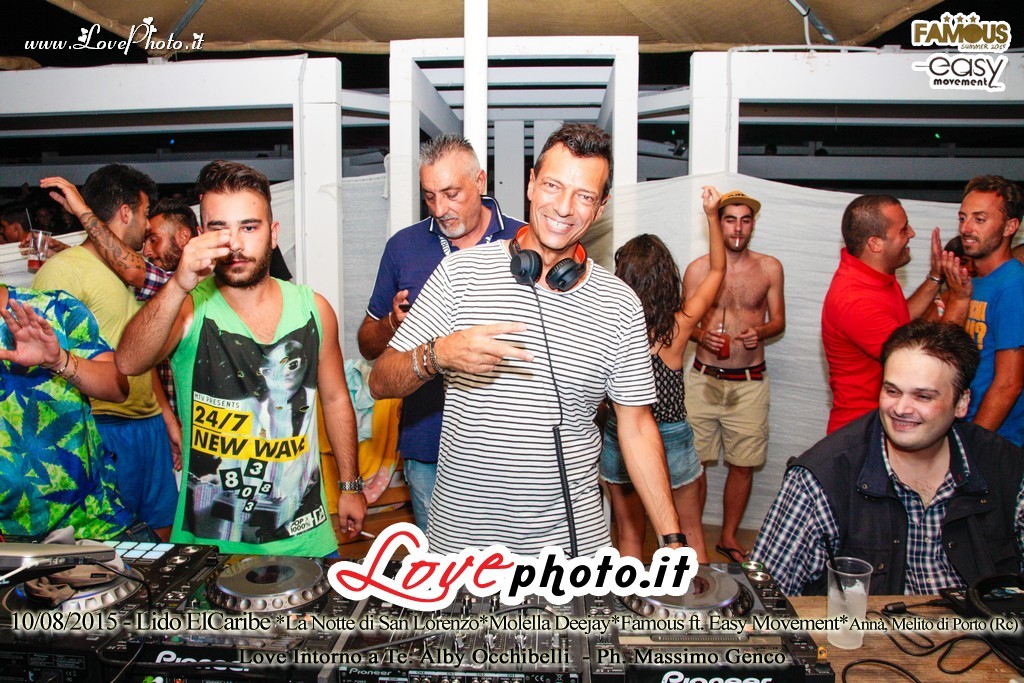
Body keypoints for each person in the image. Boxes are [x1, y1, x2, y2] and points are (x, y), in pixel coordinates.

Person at [368, 123, 685, 557]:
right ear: (531, 184)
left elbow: (637, 426)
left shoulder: (620, 304)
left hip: (572, 549)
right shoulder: (460, 275)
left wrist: (672, 538)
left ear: (601, 207)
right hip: (462, 547)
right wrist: (438, 355)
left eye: (584, 196)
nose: (564, 207)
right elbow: (380, 380)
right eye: (553, 185)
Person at [116, 161, 365, 556]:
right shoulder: (188, 308)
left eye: (249, 227)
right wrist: (178, 283)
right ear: (201, 236)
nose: (234, 243)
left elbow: (335, 399)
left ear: (273, 234)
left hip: (305, 539)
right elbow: (128, 363)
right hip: (210, 545)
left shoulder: (313, 309)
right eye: (220, 229)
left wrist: (350, 485)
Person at [752, 319, 1024, 596]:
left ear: (962, 402)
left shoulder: (1008, 468)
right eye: (892, 391)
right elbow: (763, 600)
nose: (901, 409)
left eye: (923, 396)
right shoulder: (820, 478)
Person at [358, 134, 523, 531]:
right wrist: (392, 324)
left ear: (480, 182)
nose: (440, 209)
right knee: (442, 564)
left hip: (511, 448)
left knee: (514, 564)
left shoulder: (526, 242)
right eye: (430, 197)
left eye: (451, 194)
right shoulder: (404, 247)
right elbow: (366, 344)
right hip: (428, 443)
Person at [32, 164, 178, 539]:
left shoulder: (135, 272)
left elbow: (140, 352)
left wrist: (165, 419)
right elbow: (43, 366)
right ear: (126, 212)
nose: (148, 224)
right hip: (101, 427)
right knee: (110, 547)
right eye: (145, 212)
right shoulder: (63, 272)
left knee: (163, 536)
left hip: (147, 427)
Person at [602, 192, 725, 563]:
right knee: (689, 534)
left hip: (622, 435)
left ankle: (629, 600)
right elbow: (717, 272)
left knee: (629, 536)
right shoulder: (679, 325)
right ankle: (695, 598)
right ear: (666, 278)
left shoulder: (611, 326)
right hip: (671, 435)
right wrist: (712, 215)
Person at [0, 284, 157, 542]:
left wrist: (58, 361)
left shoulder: (54, 308)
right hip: (9, 546)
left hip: (94, 527)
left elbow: (118, 387)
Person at [681, 190, 785, 564]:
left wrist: (762, 331)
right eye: (730, 219)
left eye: (745, 220)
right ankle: (693, 539)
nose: (738, 228)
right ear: (719, 224)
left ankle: (727, 537)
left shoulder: (769, 268)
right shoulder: (698, 269)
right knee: (695, 464)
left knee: (743, 463)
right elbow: (683, 324)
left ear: (753, 224)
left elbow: (779, 320)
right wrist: (700, 335)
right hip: (704, 379)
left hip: (749, 381)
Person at [821, 194, 968, 434]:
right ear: (876, 244)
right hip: (864, 432)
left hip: (883, 423)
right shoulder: (855, 299)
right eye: (903, 229)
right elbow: (928, 361)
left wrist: (935, 277)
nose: (912, 233)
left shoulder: (871, 274)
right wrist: (959, 300)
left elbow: (898, 323)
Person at [958, 175, 1024, 446]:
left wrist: (973, 446)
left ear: (1010, 226)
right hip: (967, 427)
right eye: (963, 218)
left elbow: (1009, 383)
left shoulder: (1013, 285)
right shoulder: (977, 282)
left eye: (980, 219)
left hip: (997, 442)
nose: (966, 228)